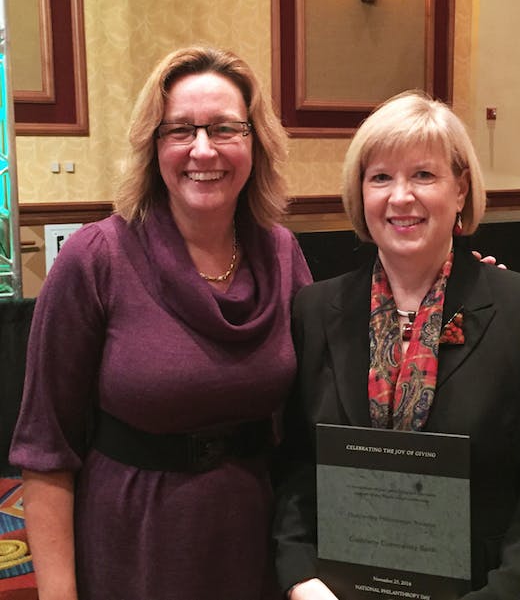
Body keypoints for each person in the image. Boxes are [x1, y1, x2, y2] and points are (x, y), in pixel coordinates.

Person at [9, 45, 312, 600]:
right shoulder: (95, 259)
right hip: (135, 547)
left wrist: (452, 290)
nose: (203, 149)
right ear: (153, 145)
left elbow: (323, 401)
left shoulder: (282, 253)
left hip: (256, 544)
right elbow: (46, 452)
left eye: (225, 128)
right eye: (180, 130)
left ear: (256, 141)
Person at [273, 90, 520, 599]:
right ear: (360, 193)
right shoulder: (315, 311)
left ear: (460, 189)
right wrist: (302, 579)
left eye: (423, 175)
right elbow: (296, 466)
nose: (401, 197)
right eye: (381, 177)